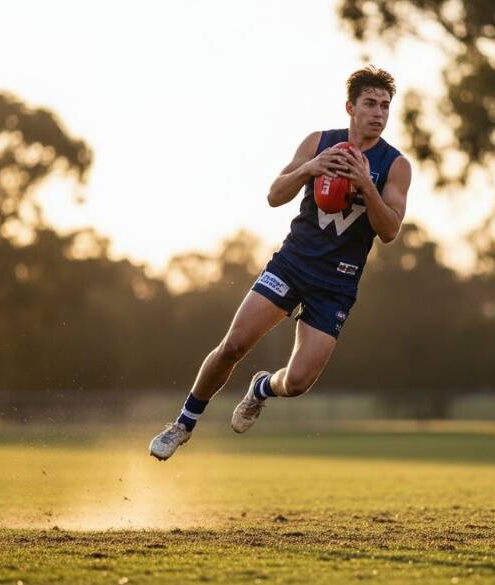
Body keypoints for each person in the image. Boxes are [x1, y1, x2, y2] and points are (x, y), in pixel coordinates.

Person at [149, 65, 411, 461]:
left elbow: (389, 230)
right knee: (233, 344)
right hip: (292, 265)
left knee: (299, 382)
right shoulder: (319, 141)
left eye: (385, 106)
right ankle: (183, 424)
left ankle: (260, 389)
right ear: (350, 107)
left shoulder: (395, 165)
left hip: (336, 285)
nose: (378, 112)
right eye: (370, 103)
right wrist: (310, 168)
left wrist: (366, 186)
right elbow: (274, 196)